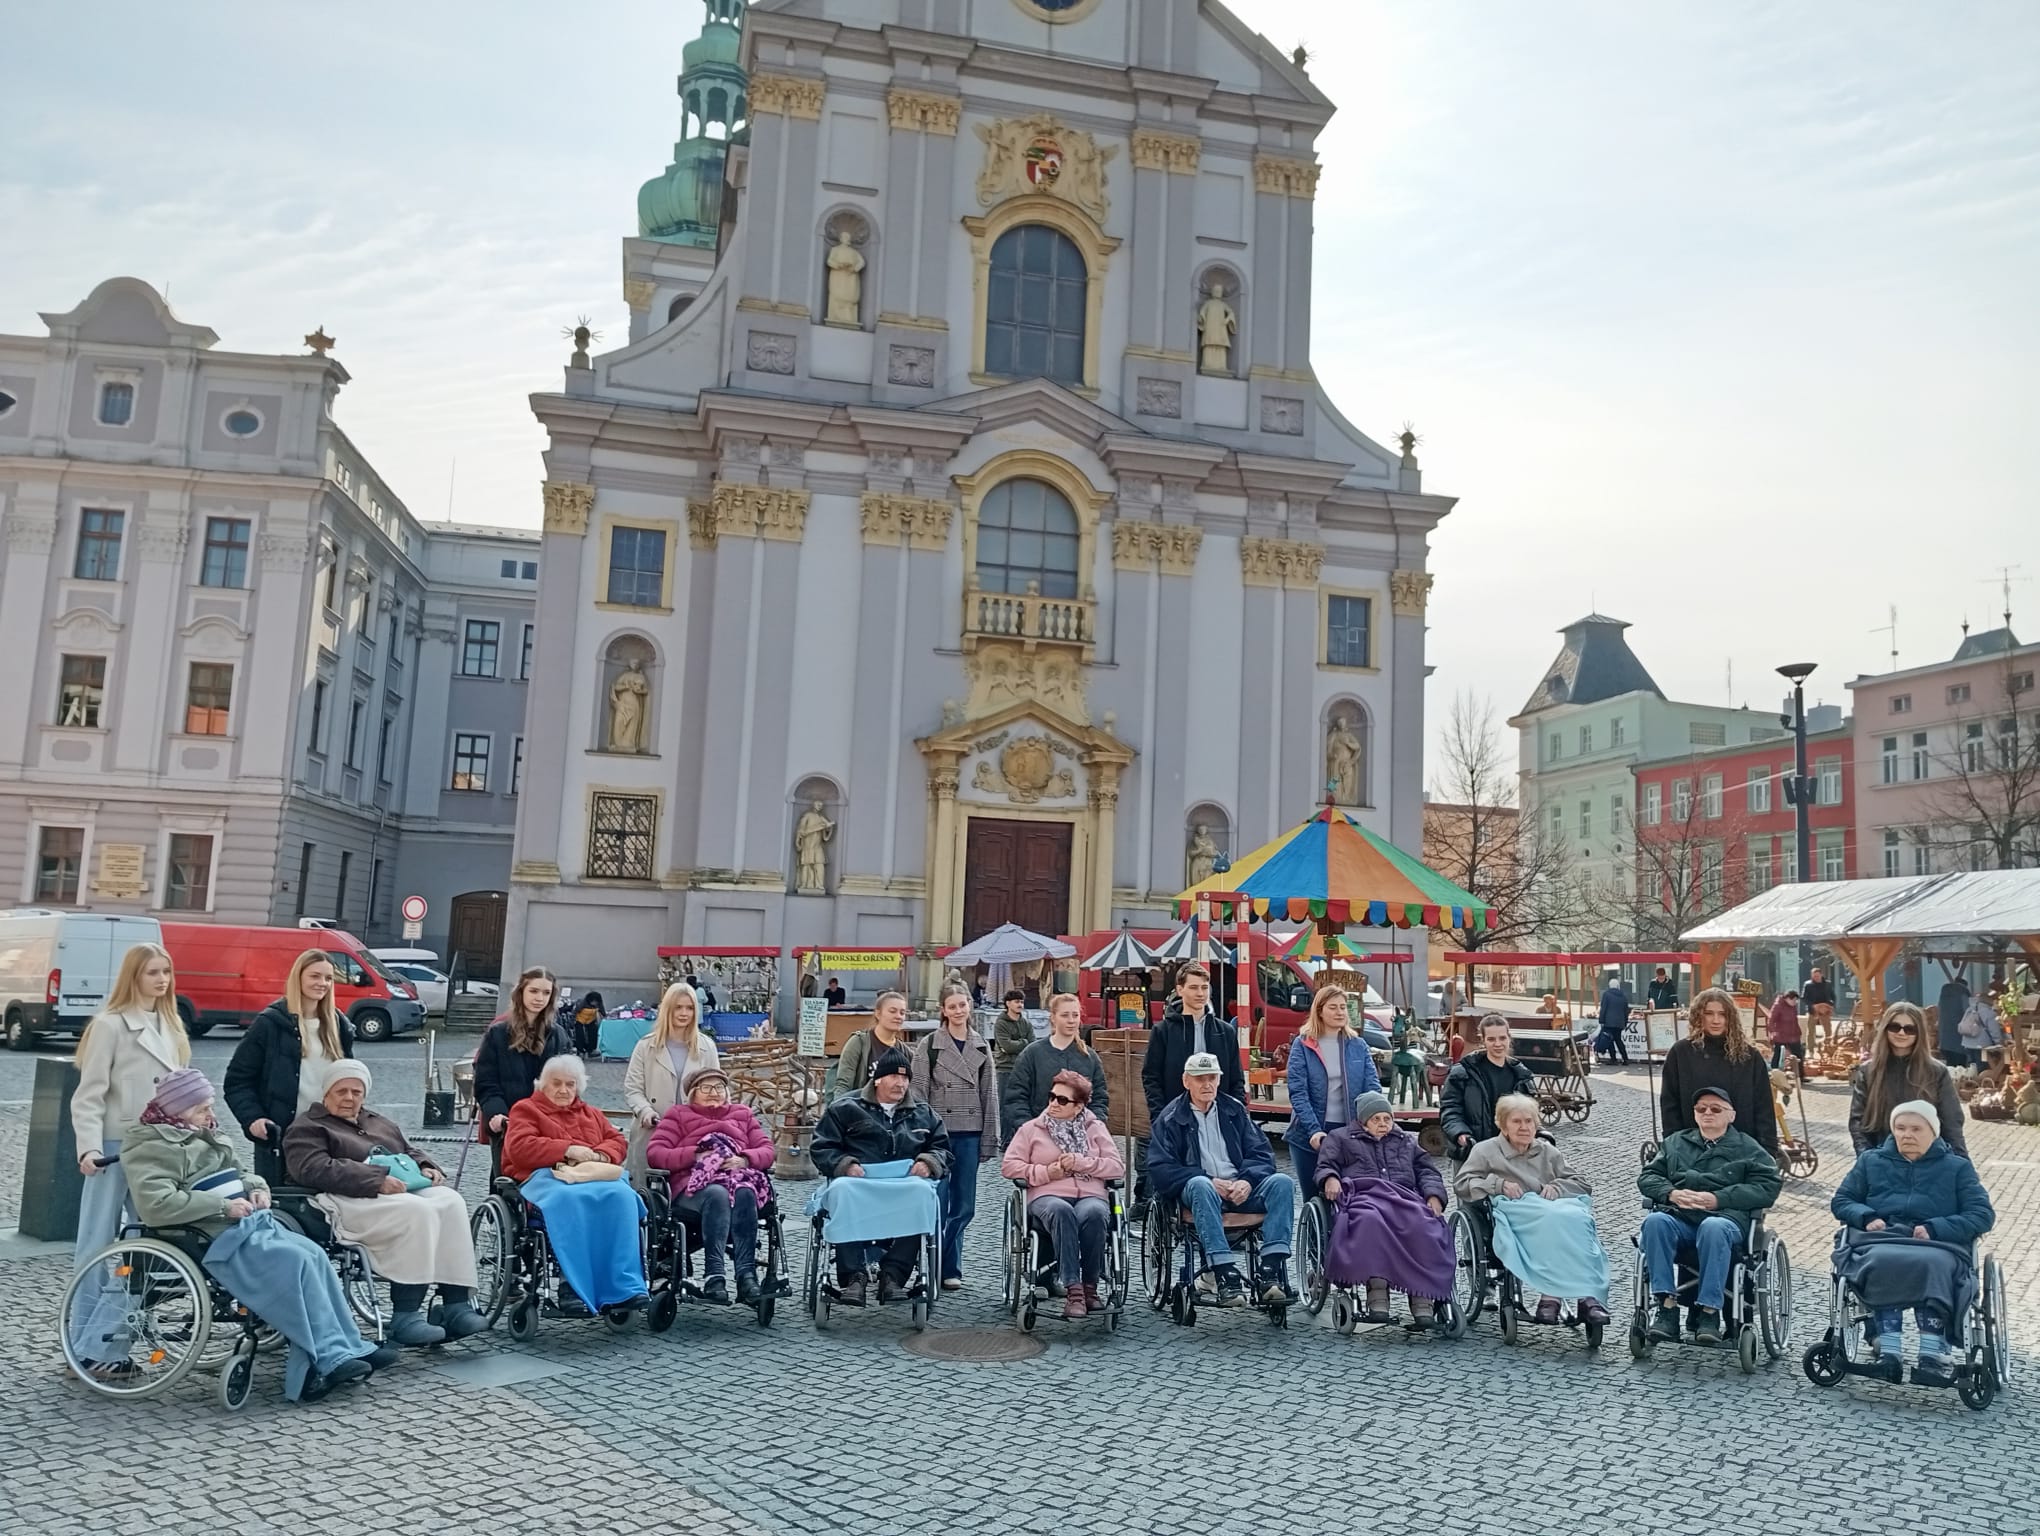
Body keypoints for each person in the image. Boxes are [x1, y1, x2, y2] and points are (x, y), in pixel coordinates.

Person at [121, 1067, 393, 1402]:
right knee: (294, 1263)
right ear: (177, 1111)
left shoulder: (205, 1133)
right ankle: (324, 1359)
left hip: (245, 1224)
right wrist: (223, 1206)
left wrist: (257, 1189)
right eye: (202, 1108)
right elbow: (156, 1204)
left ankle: (350, 1346)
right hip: (208, 1235)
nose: (211, 1114)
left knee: (315, 1256)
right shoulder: (150, 1146)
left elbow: (242, 1173)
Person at [282, 1059, 486, 1344]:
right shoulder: (308, 1127)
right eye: (341, 1092)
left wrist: (426, 1165)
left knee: (450, 1201)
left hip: (393, 1192)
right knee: (417, 1211)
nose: (349, 1098)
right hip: (341, 1198)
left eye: (356, 1092)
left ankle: (455, 1304)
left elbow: (407, 1150)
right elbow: (312, 1168)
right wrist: (375, 1179)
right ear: (326, 1093)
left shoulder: (376, 1121)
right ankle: (406, 1314)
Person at [67, 942, 190, 1381]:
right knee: (97, 1246)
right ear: (133, 977)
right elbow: (89, 1094)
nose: (162, 980)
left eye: (166, 972)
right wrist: (87, 1147)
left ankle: (100, 1341)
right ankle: (83, 1345)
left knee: (152, 1247)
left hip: (160, 1148)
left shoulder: (172, 1024)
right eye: (153, 973)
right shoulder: (109, 1025)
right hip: (113, 1146)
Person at [1831, 1099, 1996, 1385]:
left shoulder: (1957, 1168)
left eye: (1916, 1128)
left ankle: (1931, 1355)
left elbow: (1982, 1214)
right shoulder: (1871, 1161)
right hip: (1881, 1238)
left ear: (1933, 1131)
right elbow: (1842, 1201)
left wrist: (1936, 1227)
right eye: (1900, 1128)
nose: (1907, 1134)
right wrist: (1866, 1215)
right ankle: (1889, 1352)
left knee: (1933, 1265)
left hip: (1937, 1245)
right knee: (1881, 1261)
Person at [501, 1055, 649, 1317]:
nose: (563, 1090)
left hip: (591, 1177)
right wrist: (566, 1149)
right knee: (568, 1201)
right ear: (542, 1085)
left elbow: (616, 1140)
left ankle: (625, 1286)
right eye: (556, 1084)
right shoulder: (526, 1109)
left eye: (570, 1084)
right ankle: (570, 1284)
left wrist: (602, 1155)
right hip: (545, 1177)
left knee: (623, 1198)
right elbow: (520, 1148)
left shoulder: (590, 1112)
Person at [1145, 1053, 1297, 1307]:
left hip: (1240, 1189)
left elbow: (1261, 1154)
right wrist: (1208, 1180)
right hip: (1200, 1194)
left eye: (1212, 1078)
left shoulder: (1234, 1109)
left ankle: (1270, 1269)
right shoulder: (1171, 1118)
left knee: (1282, 1182)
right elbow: (1161, 1169)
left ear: (1219, 1080)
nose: (1207, 1084)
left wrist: (1247, 1181)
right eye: (1200, 1078)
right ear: (1186, 1081)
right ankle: (1224, 1271)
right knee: (1201, 1185)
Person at [1636, 1085, 1782, 1344]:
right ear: (1694, 1114)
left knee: (1713, 1228)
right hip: (1681, 1217)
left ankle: (1709, 1312)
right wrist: (1671, 1193)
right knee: (1655, 1221)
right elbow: (1648, 1176)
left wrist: (1719, 1199)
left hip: (1726, 1220)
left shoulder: (1748, 1148)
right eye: (1701, 1109)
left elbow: (1768, 1188)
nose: (1707, 1113)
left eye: (1716, 1109)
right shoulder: (1675, 1143)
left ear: (1731, 1115)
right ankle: (1666, 1307)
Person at [810, 1047, 952, 1306]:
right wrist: (844, 1164)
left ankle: (893, 1275)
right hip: (859, 1183)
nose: (901, 1083)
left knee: (923, 1194)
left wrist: (929, 1161)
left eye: (905, 1078)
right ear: (877, 1079)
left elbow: (942, 1149)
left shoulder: (924, 1112)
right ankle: (854, 1276)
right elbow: (822, 1147)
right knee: (841, 1190)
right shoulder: (845, 1108)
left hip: (904, 1185)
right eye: (894, 1078)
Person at [1454, 1094, 1611, 1326]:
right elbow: (1462, 1183)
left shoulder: (1547, 1151)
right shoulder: (1486, 1151)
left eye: (1529, 1121)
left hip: (1553, 1209)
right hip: (1517, 1213)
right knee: (1553, 1220)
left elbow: (1581, 1183)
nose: (1524, 1127)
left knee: (1579, 1220)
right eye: (1517, 1121)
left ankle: (1586, 1296)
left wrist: (1557, 1187)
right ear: (1503, 1124)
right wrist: (1498, 1185)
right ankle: (1552, 1296)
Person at [1314, 1090, 1453, 1325]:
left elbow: (1427, 1171)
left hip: (1404, 1198)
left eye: (1387, 1118)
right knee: (1369, 1221)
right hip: (1365, 1196)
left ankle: (1423, 1295)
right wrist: (1330, 1178)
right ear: (1363, 1120)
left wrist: (1434, 1195)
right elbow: (1326, 1164)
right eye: (1376, 1119)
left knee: (1425, 1225)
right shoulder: (1340, 1137)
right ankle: (1377, 1288)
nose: (1383, 1124)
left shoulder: (1406, 1140)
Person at [646, 1066, 776, 1307]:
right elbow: (656, 1153)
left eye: (719, 1087)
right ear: (692, 1093)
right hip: (692, 1188)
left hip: (738, 1180)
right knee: (717, 1194)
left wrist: (745, 1159)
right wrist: (694, 1156)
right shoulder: (678, 1115)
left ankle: (746, 1275)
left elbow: (767, 1150)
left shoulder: (743, 1114)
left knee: (745, 1191)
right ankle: (714, 1276)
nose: (714, 1092)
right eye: (706, 1087)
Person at [1002, 1069, 1126, 1319]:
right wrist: (1047, 1172)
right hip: (1047, 1196)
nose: (1053, 1104)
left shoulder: (1096, 1128)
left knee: (1094, 1212)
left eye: (1062, 1100)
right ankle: (1074, 1291)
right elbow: (1009, 1166)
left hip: (1090, 1194)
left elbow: (1116, 1166)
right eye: (1051, 1097)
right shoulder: (1032, 1129)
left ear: (1079, 1106)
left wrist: (1081, 1163)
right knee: (1062, 1211)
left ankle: (1090, 1288)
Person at [224, 949, 356, 1184]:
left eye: (328, 978)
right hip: (282, 1136)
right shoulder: (269, 1024)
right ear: (299, 978)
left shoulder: (339, 1026)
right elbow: (237, 1081)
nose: (322, 983)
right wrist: (254, 1118)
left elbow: (348, 1078)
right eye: (315, 976)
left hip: (330, 1134)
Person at [910, 984, 999, 1290]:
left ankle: (949, 1263)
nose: (959, 1011)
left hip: (971, 1134)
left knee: (964, 1206)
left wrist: (991, 1137)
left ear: (969, 1007)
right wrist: (919, 1136)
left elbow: (990, 1095)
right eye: (953, 1006)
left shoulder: (980, 1046)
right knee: (938, 1201)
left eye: (963, 1005)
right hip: (939, 1137)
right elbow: (918, 1094)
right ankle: (940, 1265)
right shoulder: (930, 1046)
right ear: (943, 1010)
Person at [1285, 985, 1383, 1197]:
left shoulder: (1358, 1045)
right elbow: (1298, 1092)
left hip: (1349, 1132)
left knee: (1349, 1196)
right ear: (1319, 1011)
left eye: (1343, 1007)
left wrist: (1372, 1121)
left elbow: (1372, 1087)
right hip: (1310, 1134)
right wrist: (1313, 1130)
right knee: (1314, 1196)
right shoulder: (1302, 1045)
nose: (1340, 1012)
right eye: (1333, 1007)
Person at [1658, 987, 1779, 1157]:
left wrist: (1768, 1151)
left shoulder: (1749, 1056)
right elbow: (1670, 1105)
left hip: (1742, 1150)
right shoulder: (1681, 1053)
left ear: (1730, 1018)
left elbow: (1764, 1107)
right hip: (1692, 1149)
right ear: (1699, 1015)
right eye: (1709, 1013)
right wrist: (1673, 1145)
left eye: (1722, 1014)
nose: (1716, 1020)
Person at [474, 967, 575, 1168]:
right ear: (521, 992)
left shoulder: (558, 1035)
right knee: (506, 1178)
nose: (539, 998)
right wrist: (497, 1114)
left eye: (546, 993)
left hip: (548, 1122)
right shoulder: (498, 1033)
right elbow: (486, 1081)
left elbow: (569, 1081)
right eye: (534, 991)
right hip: (507, 1121)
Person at [622, 982, 721, 1183]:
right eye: (678, 1007)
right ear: (668, 1009)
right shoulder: (645, 1046)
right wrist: (645, 1111)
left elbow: (717, 1089)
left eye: (690, 1007)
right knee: (647, 1190)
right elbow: (633, 1088)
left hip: (692, 1132)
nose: (684, 1013)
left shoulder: (707, 1047)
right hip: (653, 1128)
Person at [1848, 1001, 1968, 1158]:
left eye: (1909, 1029)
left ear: (1919, 1033)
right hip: (1881, 1160)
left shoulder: (1936, 1072)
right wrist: (1867, 1160)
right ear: (1885, 1029)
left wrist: (1961, 1165)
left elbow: (1952, 1123)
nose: (1901, 1033)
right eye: (1895, 1027)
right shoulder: (1868, 1071)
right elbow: (1858, 1122)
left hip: (1927, 1163)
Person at [1141, 963, 1244, 1129]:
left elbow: (1236, 1080)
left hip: (1218, 1118)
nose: (1200, 993)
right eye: (1194, 987)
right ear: (1180, 990)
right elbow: (1151, 1078)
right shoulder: (1163, 1031)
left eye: (1204, 987)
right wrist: (1160, 1117)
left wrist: (1237, 1116)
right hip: (1176, 1118)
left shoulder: (1226, 1032)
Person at [1004, 992, 1110, 1132]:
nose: (1071, 1020)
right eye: (1065, 1015)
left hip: (1080, 1138)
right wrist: (1031, 1129)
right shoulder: (1032, 1054)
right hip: (1039, 1136)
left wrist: (1090, 1127)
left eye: (1075, 1015)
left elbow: (1099, 1098)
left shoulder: (1089, 1057)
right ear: (1053, 1018)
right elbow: (1016, 1097)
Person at [1441, 1015, 1537, 1163]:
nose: (1498, 1044)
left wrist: (1540, 1133)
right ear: (1483, 1040)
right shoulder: (1463, 1072)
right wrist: (1461, 1134)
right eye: (1491, 1039)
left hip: (1511, 1153)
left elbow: (1530, 1114)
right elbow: (1450, 1109)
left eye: (1502, 1038)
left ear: (1509, 1038)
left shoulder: (1521, 1075)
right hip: (1472, 1151)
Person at [834, 988, 909, 1096]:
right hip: (860, 1109)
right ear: (878, 1014)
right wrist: (840, 1110)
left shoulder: (905, 1052)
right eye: (892, 1011)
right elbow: (843, 1085)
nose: (898, 1016)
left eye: (902, 1013)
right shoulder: (859, 1043)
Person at [1934, 973, 1973, 1069]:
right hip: (1958, 1040)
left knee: (1950, 1067)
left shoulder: (1944, 995)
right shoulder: (1963, 994)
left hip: (1944, 1040)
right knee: (1960, 1068)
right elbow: (1968, 1013)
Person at [991, 988, 1033, 1073]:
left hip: (1023, 1066)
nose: (1020, 1005)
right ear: (1008, 1003)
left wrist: (1017, 1044)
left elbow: (1033, 1045)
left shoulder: (1026, 1023)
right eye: (1017, 1002)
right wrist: (1025, 1042)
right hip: (1005, 1067)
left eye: (1022, 1002)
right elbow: (1008, 1046)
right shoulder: (1001, 1023)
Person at [1594, 978, 1631, 1065]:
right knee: (1618, 1040)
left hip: (1609, 1022)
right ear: (1618, 986)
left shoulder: (1606, 994)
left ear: (1610, 986)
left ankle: (1613, 1059)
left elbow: (1604, 1009)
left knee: (1609, 1040)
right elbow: (1626, 1010)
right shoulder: (1623, 996)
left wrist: (1601, 1020)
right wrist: (1625, 1022)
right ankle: (1625, 1058)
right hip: (1619, 1023)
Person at [1768, 990, 1804, 1073]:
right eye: (1793, 1000)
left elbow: (1795, 1021)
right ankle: (1774, 1073)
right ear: (1787, 998)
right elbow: (1771, 1020)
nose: (1795, 1002)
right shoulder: (1778, 1006)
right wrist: (1772, 1032)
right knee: (1778, 1054)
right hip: (1781, 1035)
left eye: (1796, 1000)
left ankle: (1800, 1075)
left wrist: (1798, 1032)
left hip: (1793, 1035)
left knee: (1798, 1056)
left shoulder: (1793, 1007)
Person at [1801, 966, 1836, 1045]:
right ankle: (1810, 1050)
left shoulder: (1828, 984)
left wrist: (1831, 1005)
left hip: (1825, 1010)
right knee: (1811, 1031)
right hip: (1813, 1010)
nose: (1816, 978)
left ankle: (1828, 1047)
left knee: (1828, 1030)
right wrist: (1812, 1005)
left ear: (1821, 975)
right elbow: (1803, 997)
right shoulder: (1808, 984)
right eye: (1814, 976)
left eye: (1817, 976)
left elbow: (1833, 996)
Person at [569, 990, 606, 1058]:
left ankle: (591, 1050)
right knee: (580, 1036)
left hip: (591, 1020)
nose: (595, 1003)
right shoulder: (582, 1003)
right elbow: (574, 1012)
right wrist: (572, 1022)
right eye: (594, 1001)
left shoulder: (599, 1004)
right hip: (580, 1020)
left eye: (596, 1002)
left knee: (593, 1034)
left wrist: (605, 1016)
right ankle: (580, 1051)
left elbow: (602, 1010)